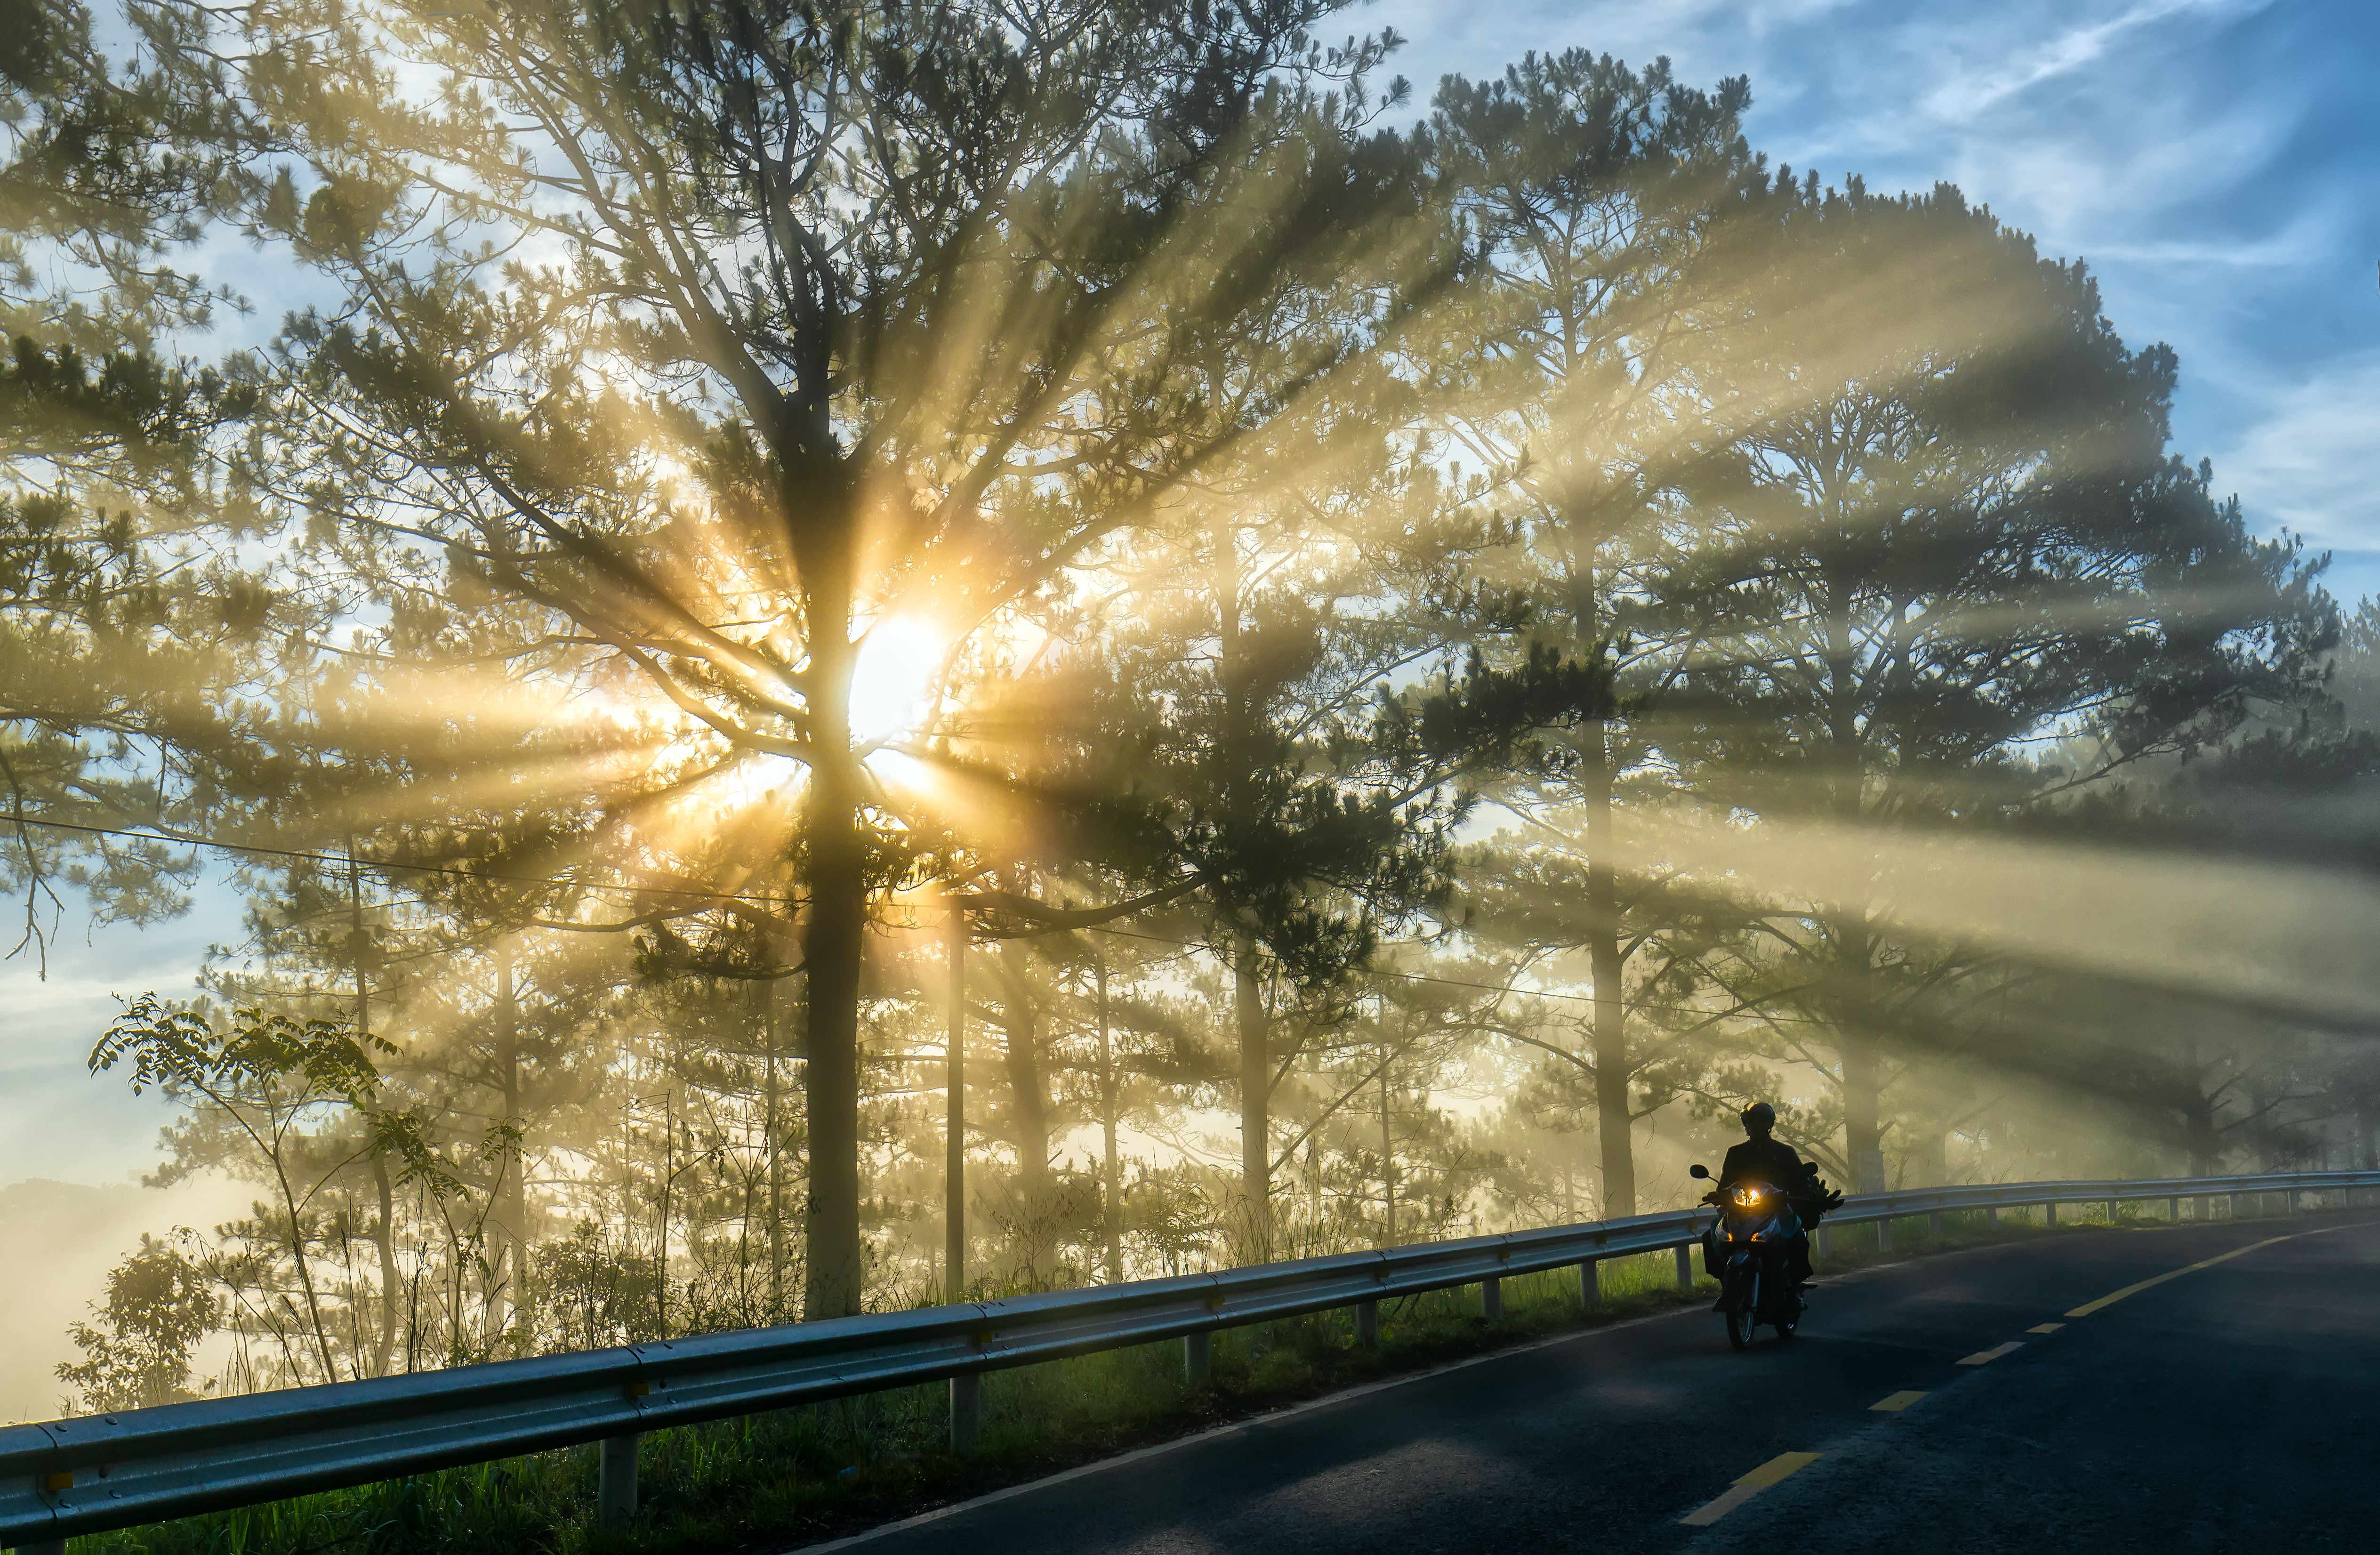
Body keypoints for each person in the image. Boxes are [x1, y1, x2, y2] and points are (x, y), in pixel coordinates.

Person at [1717, 1103, 1816, 1285]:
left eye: (1759, 1122)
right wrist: (1720, 1195)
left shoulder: (1785, 1152)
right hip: (1741, 1211)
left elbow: (1801, 1181)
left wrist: (1796, 1195)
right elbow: (1725, 1183)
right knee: (1713, 1233)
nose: (1753, 1126)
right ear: (1746, 1124)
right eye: (1750, 1122)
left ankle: (1794, 1284)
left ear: (1769, 1125)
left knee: (1796, 1234)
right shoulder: (1736, 1153)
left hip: (1778, 1209)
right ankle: (1726, 1281)